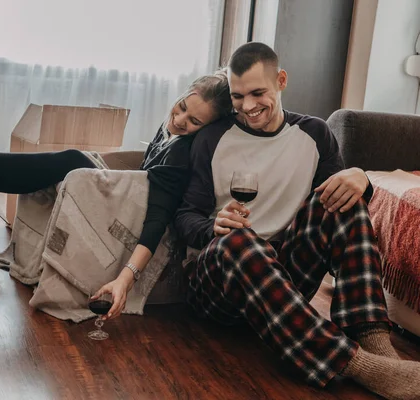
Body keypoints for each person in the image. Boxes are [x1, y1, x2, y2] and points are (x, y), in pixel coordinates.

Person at [174, 42, 420, 400]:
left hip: (283, 280)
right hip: (219, 280)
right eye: (238, 96)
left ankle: (376, 343)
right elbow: (184, 216)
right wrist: (212, 226)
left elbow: (343, 212)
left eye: (258, 92)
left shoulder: (315, 133)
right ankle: (359, 366)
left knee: (342, 199)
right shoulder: (212, 138)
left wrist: (361, 178)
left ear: (281, 81)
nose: (247, 106)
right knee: (243, 242)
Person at [0, 71, 233, 320]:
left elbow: (157, 217)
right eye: (181, 107)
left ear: (205, 128)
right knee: (59, 168)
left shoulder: (181, 152)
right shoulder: (170, 133)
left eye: (194, 122)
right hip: (122, 202)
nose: (180, 120)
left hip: (125, 217)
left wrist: (127, 277)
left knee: (72, 161)